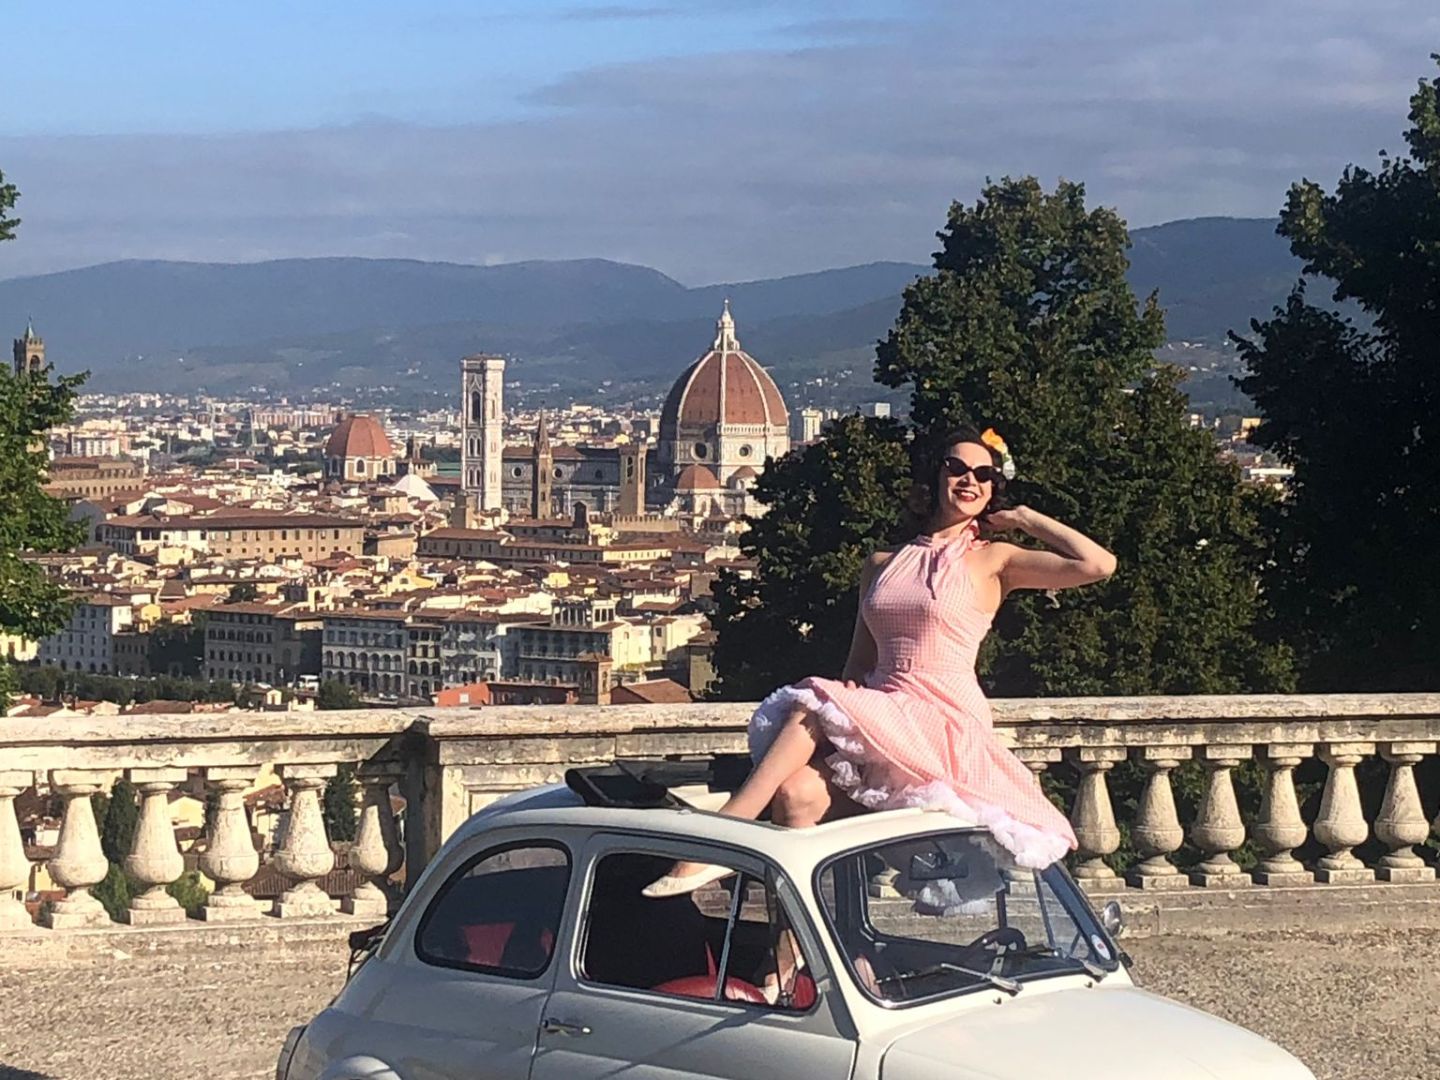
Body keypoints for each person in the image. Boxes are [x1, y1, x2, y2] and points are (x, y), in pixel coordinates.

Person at [644, 426, 1116, 897]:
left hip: (942, 716)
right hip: (883, 706)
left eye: (985, 474)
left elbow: (1098, 565)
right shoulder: (882, 563)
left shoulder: (995, 559)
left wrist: (1025, 519)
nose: (970, 480)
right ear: (933, 477)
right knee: (795, 796)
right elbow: (858, 662)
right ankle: (785, 966)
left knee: (810, 701)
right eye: (957, 468)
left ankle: (721, 841)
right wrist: (842, 724)